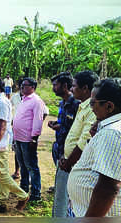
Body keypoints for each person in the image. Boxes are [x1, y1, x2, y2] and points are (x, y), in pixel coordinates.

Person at [68, 78, 121, 217]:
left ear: (109, 107)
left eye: (92, 103)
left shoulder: (112, 133)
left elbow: (108, 187)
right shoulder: (110, 128)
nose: (91, 108)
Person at [0, 77, 29, 213]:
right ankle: (1, 201)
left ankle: (22, 195)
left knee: (1, 174)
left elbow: (3, 124)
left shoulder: (2, 102)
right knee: (2, 172)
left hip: (0, 142)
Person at [57, 71, 98, 216]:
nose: (71, 89)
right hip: (69, 161)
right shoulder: (82, 106)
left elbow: (83, 143)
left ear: (85, 88)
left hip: (76, 165)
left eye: (74, 86)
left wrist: (68, 162)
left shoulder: (92, 110)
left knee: (75, 204)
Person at [48, 72, 80, 217]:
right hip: (60, 149)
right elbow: (66, 125)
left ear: (65, 86)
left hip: (70, 156)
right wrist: (57, 125)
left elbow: (77, 132)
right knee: (62, 188)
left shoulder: (76, 105)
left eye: (56, 85)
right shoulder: (63, 104)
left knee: (66, 192)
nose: (53, 88)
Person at [13, 77, 45, 201]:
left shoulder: (36, 101)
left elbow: (38, 120)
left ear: (32, 87)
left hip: (28, 140)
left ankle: (36, 193)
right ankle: (24, 188)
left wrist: (34, 139)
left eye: (25, 85)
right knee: (22, 165)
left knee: (31, 166)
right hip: (19, 138)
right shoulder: (23, 99)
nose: (22, 87)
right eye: (21, 85)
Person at [10, 79, 23, 180]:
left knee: (28, 153)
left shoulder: (33, 99)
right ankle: (17, 171)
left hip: (28, 130)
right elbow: (10, 109)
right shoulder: (14, 97)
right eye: (22, 86)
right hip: (16, 128)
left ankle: (28, 175)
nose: (23, 89)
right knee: (17, 150)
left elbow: (45, 111)